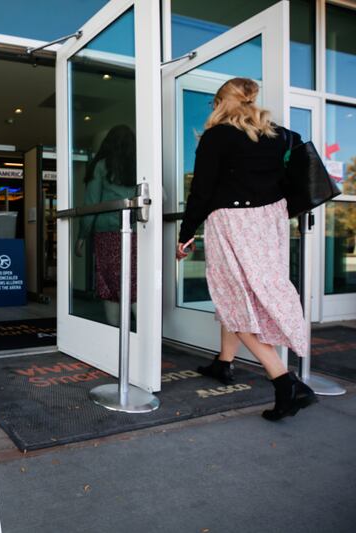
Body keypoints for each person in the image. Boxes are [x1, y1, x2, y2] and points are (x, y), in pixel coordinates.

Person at [176, 77, 317, 421]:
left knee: (232, 294)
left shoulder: (217, 136)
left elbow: (202, 190)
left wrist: (186, 232)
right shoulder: (280, 135)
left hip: (233, 220)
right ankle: (224, 363)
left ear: (222, 102)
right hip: (270, 221)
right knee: (247, 291)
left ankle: (286, 382)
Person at [75, 125, 137, 326]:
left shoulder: (101, 166)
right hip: (136, 232)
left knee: (109, 284)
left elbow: (92, 203)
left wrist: (82, 236)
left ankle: (115, 333)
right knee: (133, 283)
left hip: (107, 233)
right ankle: (147, 337)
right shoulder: (141, 164)